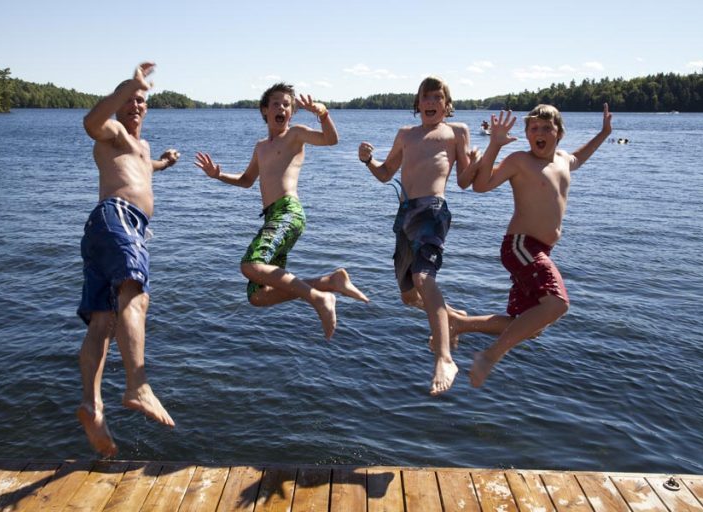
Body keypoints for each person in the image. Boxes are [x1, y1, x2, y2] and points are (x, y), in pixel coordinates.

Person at [194, 83, 368, 340]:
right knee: (258, 296)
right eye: (276, 103)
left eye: (287, 105)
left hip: (288, 211)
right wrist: (218, 175)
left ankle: (319, 299)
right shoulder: (260, 147)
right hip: (272, 217)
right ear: (265, 110)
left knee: (250, 265)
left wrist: (323, 114)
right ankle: (330, 282)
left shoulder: (295, 135)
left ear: (292, 113)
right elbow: (246, 180)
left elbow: (331, 140)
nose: (282, 108)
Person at [460, 103, 612, 387]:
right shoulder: (520, 160)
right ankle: (489, 356)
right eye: (534, 129)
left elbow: (582, 156)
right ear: (527, 135)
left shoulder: (564, 159)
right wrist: (494, 143)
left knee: (530, 325)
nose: (540, 133)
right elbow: (481, 185)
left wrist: (604, 133)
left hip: (541, 249)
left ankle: (460, 324)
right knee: (557, 304)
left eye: (546, 128)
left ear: (559, 134)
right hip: (521, 246)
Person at [77, 62, 180, 457]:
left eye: (142, 100)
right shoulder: (112, 132)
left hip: (109, 229)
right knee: (134, 294)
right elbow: (91, 121)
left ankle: (92, 406)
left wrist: (163, 164)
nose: (136, 105)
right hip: (117, 217)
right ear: (119, 106)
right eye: (130, 100)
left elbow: (140, 167)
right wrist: (127, 85)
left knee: (103, 321)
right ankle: (137, 385)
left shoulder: (142, 147)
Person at [358, 76, 480, 396]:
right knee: (409, 295)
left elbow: (466, 180)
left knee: (425, 279)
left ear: (447, 105)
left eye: (437, 98)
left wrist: (484, 156)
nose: (430, 103)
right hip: (405, 216)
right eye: (425, 98)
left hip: (433, 212)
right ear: (418, 103)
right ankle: (455, 319)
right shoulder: (405, 135)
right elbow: (386, 174)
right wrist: (368, 160)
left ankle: (444, 358)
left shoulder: (456, 133)